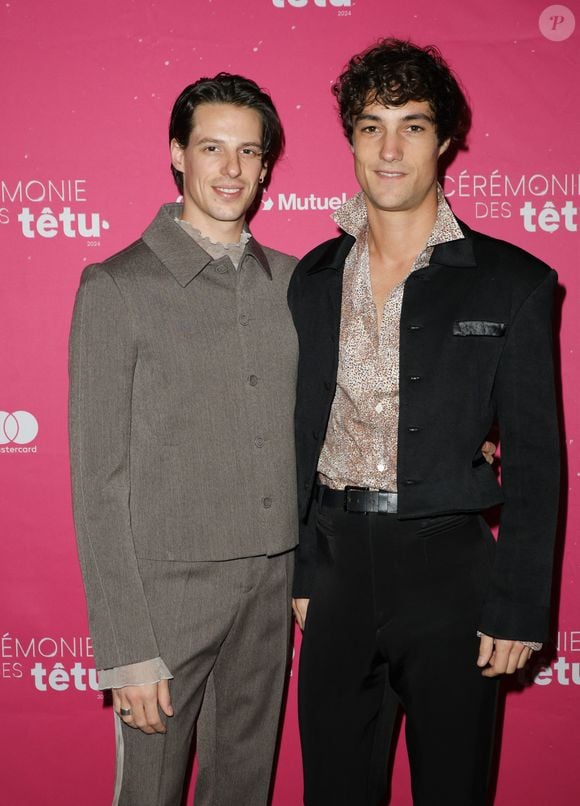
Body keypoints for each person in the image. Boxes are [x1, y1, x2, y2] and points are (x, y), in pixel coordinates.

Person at [288, 39, 560, 806]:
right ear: (349, 140)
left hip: (452, 574)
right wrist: (305, 564)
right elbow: (297, 436)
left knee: (453, 790)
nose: (390, 147)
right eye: (371, 125)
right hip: (336, 570)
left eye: (412, 124)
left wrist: (518, 603)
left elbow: (537, 460)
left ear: (444, 141)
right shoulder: (309, 279)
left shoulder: (515, 283)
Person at [68, 73, 298, 806]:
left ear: (266, 167)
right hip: (162, 602)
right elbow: (97, 481)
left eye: (248, 152)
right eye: (211, 148)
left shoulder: (298, 284)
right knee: (150, 793)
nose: (231, 170)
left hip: (272, 588)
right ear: (178, 155)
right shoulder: (117, 286)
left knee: (243, 790)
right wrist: (126, 649)